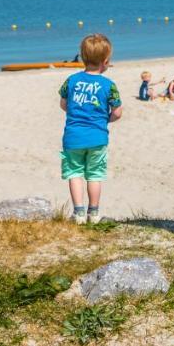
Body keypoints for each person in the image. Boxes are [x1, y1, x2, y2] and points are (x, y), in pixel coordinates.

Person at [58, 34, 122, 225]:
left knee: (75, 173)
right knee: (94, 175)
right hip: (97, 137)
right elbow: (117, 112)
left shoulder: (71, 80)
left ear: (83, 57)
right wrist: (104, 121)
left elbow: (63, 104)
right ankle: (93, 214)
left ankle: (78, 214)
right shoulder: (109, 85)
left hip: (73, 137)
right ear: (106, 62)